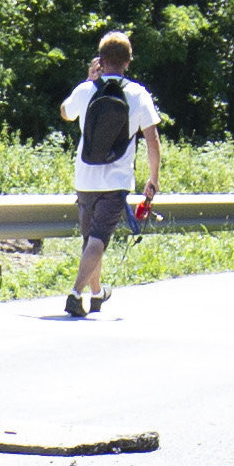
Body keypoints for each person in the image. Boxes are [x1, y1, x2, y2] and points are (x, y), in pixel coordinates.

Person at [57, 33, 165, 319]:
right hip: (116, 181)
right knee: (98, 240)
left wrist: (89, 80)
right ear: (128, 62)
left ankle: (97, 294)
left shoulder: (86, 90)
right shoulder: (138, 94)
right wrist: (153, 178)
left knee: (92, 240)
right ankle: (76, 292)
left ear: (101, 61)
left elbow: (65, 113)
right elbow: (152, 140)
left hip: (85, 178)